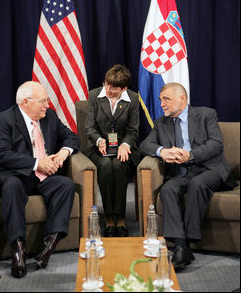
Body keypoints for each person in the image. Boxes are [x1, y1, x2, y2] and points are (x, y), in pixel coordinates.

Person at [140, 82, 237, 269]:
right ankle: (181, 245)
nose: (162, 104)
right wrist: (162, 151)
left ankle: (186, 243)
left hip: (209, 169)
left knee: (198, 184)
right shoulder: (162, 123)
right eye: (161, 100)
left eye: (166, 99)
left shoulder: (206, 115)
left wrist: (190, 155)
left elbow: (216, 144)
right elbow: (145, 144)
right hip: (182, 173)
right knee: (167, 189)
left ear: (182, 99)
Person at [0, 81, 80, 278]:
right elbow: (1, 155)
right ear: (26, 102)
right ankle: (18, 251)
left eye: (47, 101)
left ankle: (48, 247)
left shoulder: (50, 117)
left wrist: (63, 153)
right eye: (43, 101)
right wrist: (38, 163)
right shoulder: (3, 120)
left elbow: (72, 138)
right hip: (13, 175)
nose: (47, 105)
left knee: (65, 185)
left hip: (42, 177)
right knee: (12, 186)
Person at [84, 64, 142, 237]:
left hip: (123, 147)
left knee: (118, 165)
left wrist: (125, 145)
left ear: (124, 88)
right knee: (105, 165)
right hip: (98, 148)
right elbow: (89, 127)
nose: (108, 90)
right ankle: (109, 218)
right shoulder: (94, 95)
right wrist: (99, 140)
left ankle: (121, 217)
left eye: (114, 88)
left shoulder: (132, 98)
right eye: (106, 85)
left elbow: (133, 130)